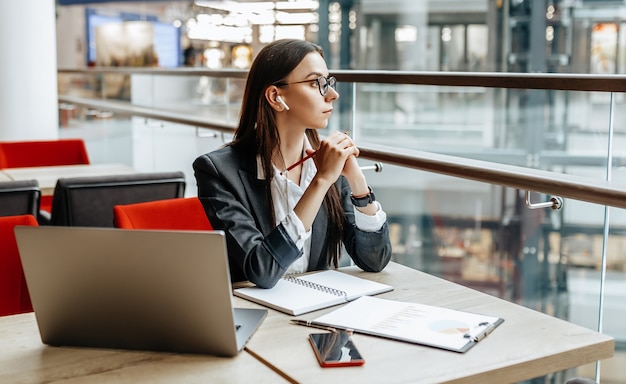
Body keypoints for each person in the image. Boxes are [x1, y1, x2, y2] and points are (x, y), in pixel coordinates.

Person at [193, 39, 392, 289]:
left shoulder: (328, 160)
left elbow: (374, 260)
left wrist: (358, 185)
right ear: (276, 96)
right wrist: (320, 182)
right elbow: (262, 270)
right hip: (258, 318)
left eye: (328, 82)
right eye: (315, 83)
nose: (332, 94)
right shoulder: (219, 171)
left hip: (318, 312)